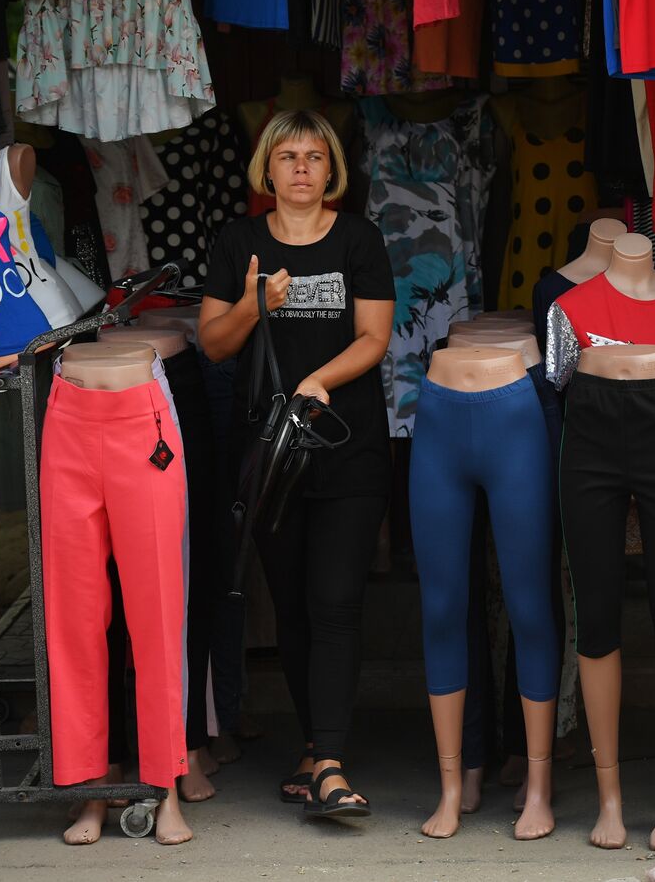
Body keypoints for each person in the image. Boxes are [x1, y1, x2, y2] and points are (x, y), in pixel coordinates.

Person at [199, 110, 395, 820]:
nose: (303, 168)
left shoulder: (359, 239)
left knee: (336, 598)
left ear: (331, 168)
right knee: (293, 605)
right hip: (271, 456)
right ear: (268, 169)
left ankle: (332, 761)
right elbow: (214, 343)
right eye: (288, 156)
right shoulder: (239, 242)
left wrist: (321, 380)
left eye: (315, 156)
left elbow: (375, 336)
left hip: (347, 445)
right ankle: (315, 748)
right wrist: (257, 303)